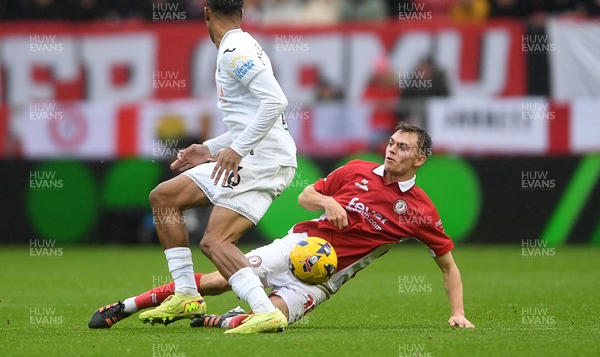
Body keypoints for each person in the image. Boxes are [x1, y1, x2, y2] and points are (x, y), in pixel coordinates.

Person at [89, 123, 474, 333]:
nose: (392, 150)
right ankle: (127, 306)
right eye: (391, 143)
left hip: (324, 279)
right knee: (221, 281)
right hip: (298, 245)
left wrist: (457, 312)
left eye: (403, 147)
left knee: (270, 320)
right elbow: (306, 195)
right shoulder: (356, 169)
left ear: (420, 159)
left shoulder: (419, 211)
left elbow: (448, 266)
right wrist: (328, 202)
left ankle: (222, 320)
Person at [127, 0, 297, 334]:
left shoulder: (234, 50)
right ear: (242, 13)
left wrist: (236, 150)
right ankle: (187, 293)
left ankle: (266, 311)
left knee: (214, 241)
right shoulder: (241, 45)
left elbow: (275, 103)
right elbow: (250, 116)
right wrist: (211, 148)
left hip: (263, 160)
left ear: (206, 13)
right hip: (251, 153)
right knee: (164, 198)